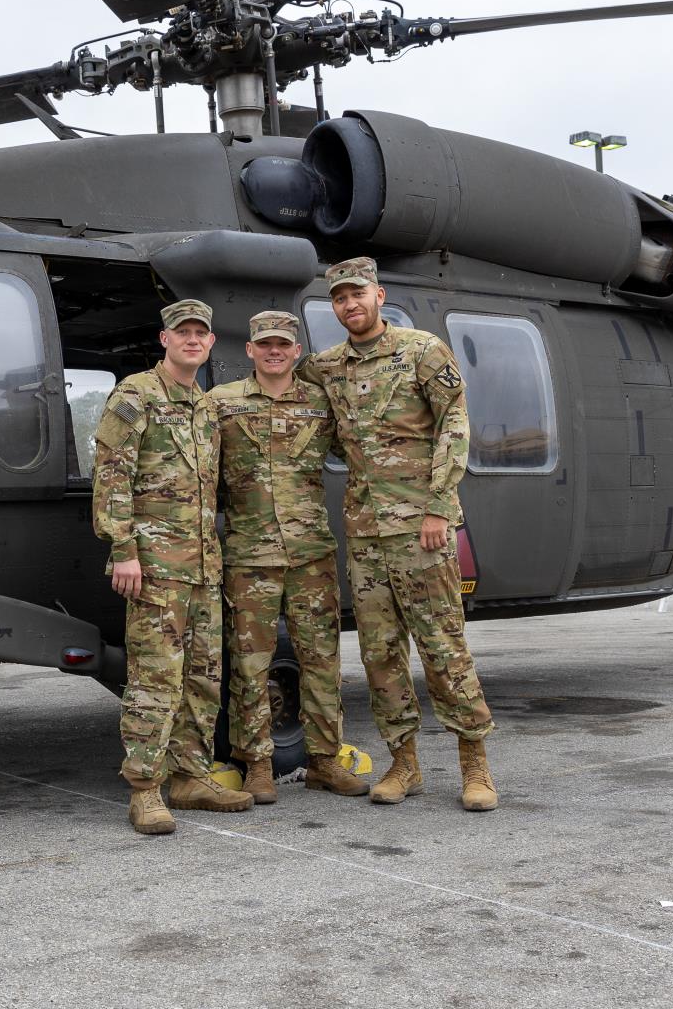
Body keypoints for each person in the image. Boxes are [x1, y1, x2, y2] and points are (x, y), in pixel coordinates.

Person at [306, 257, 498, 811]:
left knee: (443, 647)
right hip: (365, 534)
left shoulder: (422, 351)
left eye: (357, 294)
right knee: (380, 654)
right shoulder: (329, 366)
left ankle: (474, 764)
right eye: (340, 297)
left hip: (423, 530)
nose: (350, 304)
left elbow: (455, 425)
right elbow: (299, 400)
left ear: (379, 295)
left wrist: (439, 507)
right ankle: (404, 764)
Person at [93, 298, 250, 835]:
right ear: (164, 340)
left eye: (200, 333)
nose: (191, 340)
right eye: (181, 332)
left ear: (210, 344)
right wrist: (123, 550)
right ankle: (145, 789)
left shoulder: (205, 408)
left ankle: (190, 777)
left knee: (203, 679)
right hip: (156, 567)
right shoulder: (135, 395)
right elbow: (112, 476)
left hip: (205, 568)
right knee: (155, 680)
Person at [208, 310, 367, 802]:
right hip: (248, 557)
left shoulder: (321, 403)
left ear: (296, 351)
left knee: (321, 659)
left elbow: (365, 454)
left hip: (310, 556)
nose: (274, 351)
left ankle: (323, 761)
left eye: (283, 344)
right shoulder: (220, 403)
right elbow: (195, 475)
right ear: (250, 350)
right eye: (264, 344)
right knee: (250, 664)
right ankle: (255, 764)